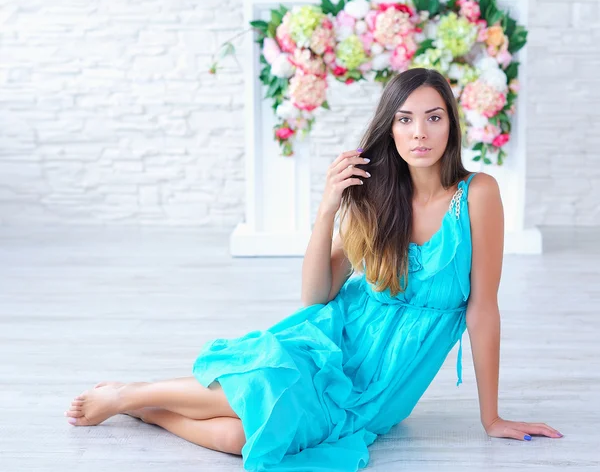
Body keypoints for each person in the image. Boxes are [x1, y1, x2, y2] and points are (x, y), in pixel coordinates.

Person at [64, 68, 562, 471]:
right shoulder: (376, 196)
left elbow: (482, 309)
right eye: (406, 119)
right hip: (330, 346)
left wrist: (491, 417)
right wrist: (327, 209)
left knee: (249, 438)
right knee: (265, 388)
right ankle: (129, 393)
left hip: (382, 389)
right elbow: (314, 296)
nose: (420, 133)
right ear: (390, 126)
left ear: (451, 124)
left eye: (433, 118)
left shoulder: (477, 195)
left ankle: (142, 410)